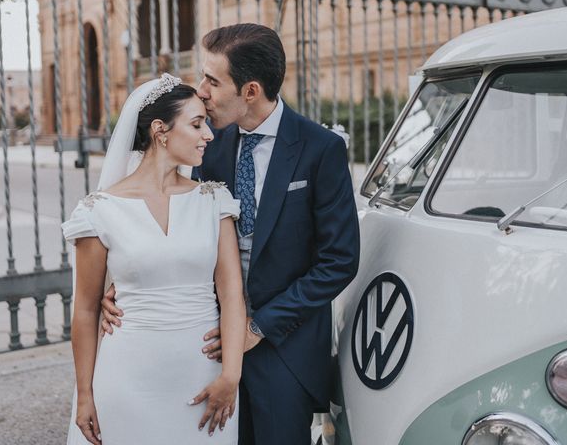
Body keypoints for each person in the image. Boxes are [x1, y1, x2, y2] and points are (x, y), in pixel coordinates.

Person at [101, 24, 361, 444]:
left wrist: (257, 328)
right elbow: (170, 219)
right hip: (205, 343)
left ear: (251, 91)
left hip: (283, 347)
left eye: (212, 80)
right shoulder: (206, 142)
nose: (200, 90)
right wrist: (121, 286)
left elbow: (340, 261)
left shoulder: (321, 149)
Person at [62, 74, 246, 445]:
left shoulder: (214, 200)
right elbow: (84, 309)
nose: (208, 134)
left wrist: (231, 376)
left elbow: (231, 296)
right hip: (128, 377)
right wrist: (84, 395)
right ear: (160, 131)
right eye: (196, 124)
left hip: (204, 375)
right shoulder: (100, 210)